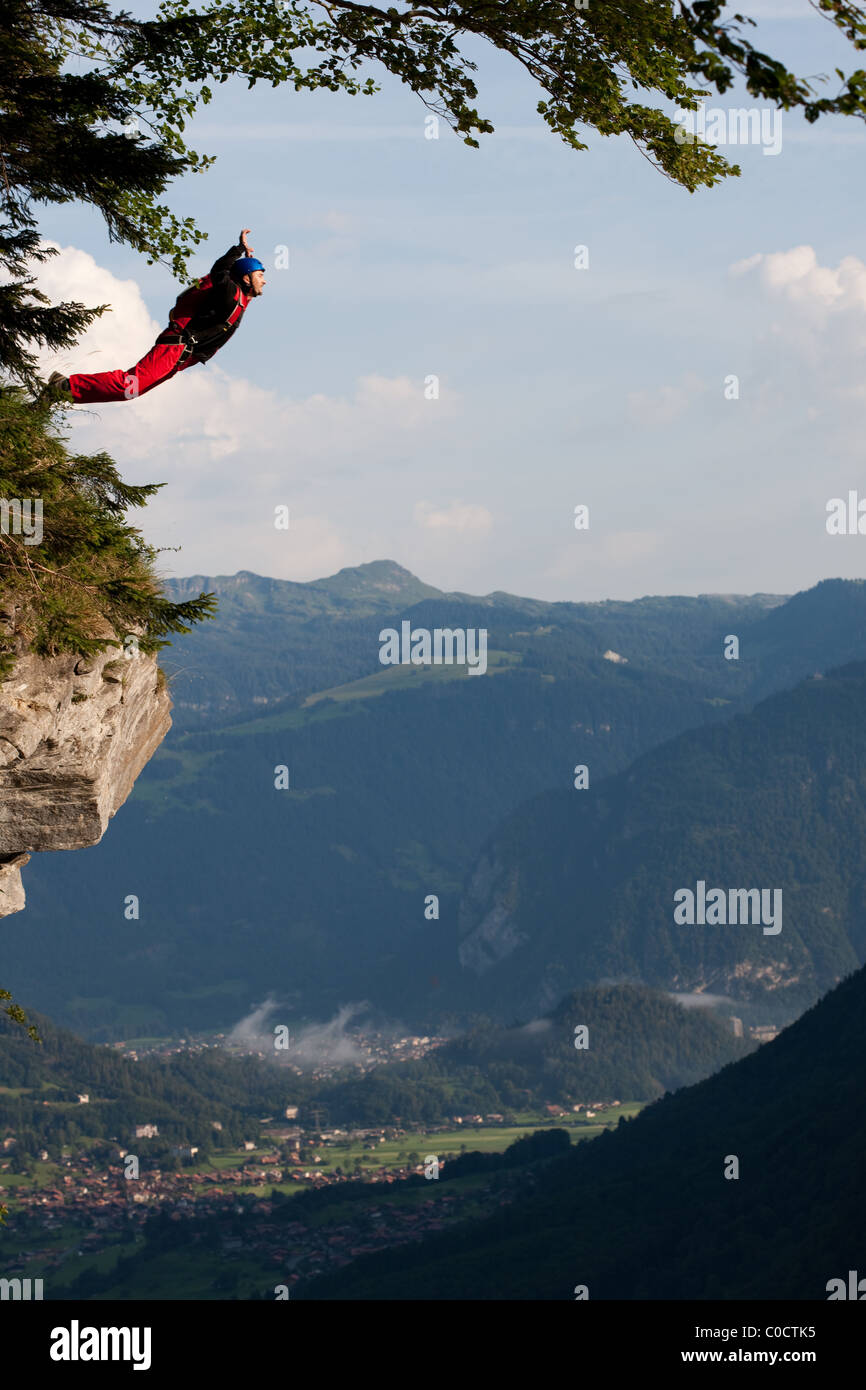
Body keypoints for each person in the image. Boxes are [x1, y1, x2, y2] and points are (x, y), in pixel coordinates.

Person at [44, 230, 266, 405]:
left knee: (131, 392)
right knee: (129, 385)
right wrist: (237, 250)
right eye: (260, 275)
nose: (264, 280)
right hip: (177, 346)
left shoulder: (241, 299)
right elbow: (219, 271)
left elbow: (234, 285)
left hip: (182, 354)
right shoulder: (229, 292)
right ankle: (64, 386)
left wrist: (245, 265)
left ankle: (63, 392)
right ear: (246, 279)